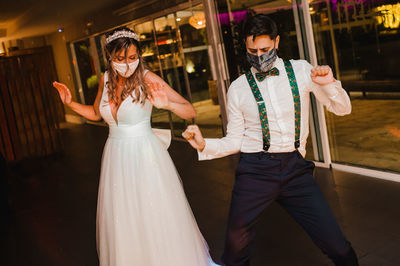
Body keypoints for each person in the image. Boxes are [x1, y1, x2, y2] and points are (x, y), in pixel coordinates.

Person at [183, 14, 358, 266]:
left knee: (338, 246)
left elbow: (343, 109)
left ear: (276, 42)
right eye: (251, 50)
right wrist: (203, 144)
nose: (258, 55)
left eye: (264, 49)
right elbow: (234, 141)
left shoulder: (301, 70)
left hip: (296, 170)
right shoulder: (238, 89)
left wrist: (329, 83)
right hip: (255, 171)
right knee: (234, 248)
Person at [53, 26, 218, 266]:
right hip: (115, 156)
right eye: (120, 59)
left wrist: (167, 105)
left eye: (132, 58)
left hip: (145, 155)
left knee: (152, 214)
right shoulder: (106, 79)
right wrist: (70, 103)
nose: (127, 64)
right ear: (109, 57)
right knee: (124, 218)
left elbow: (189, 109)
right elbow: (96, 114)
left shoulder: (148, 78)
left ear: (139, 55)